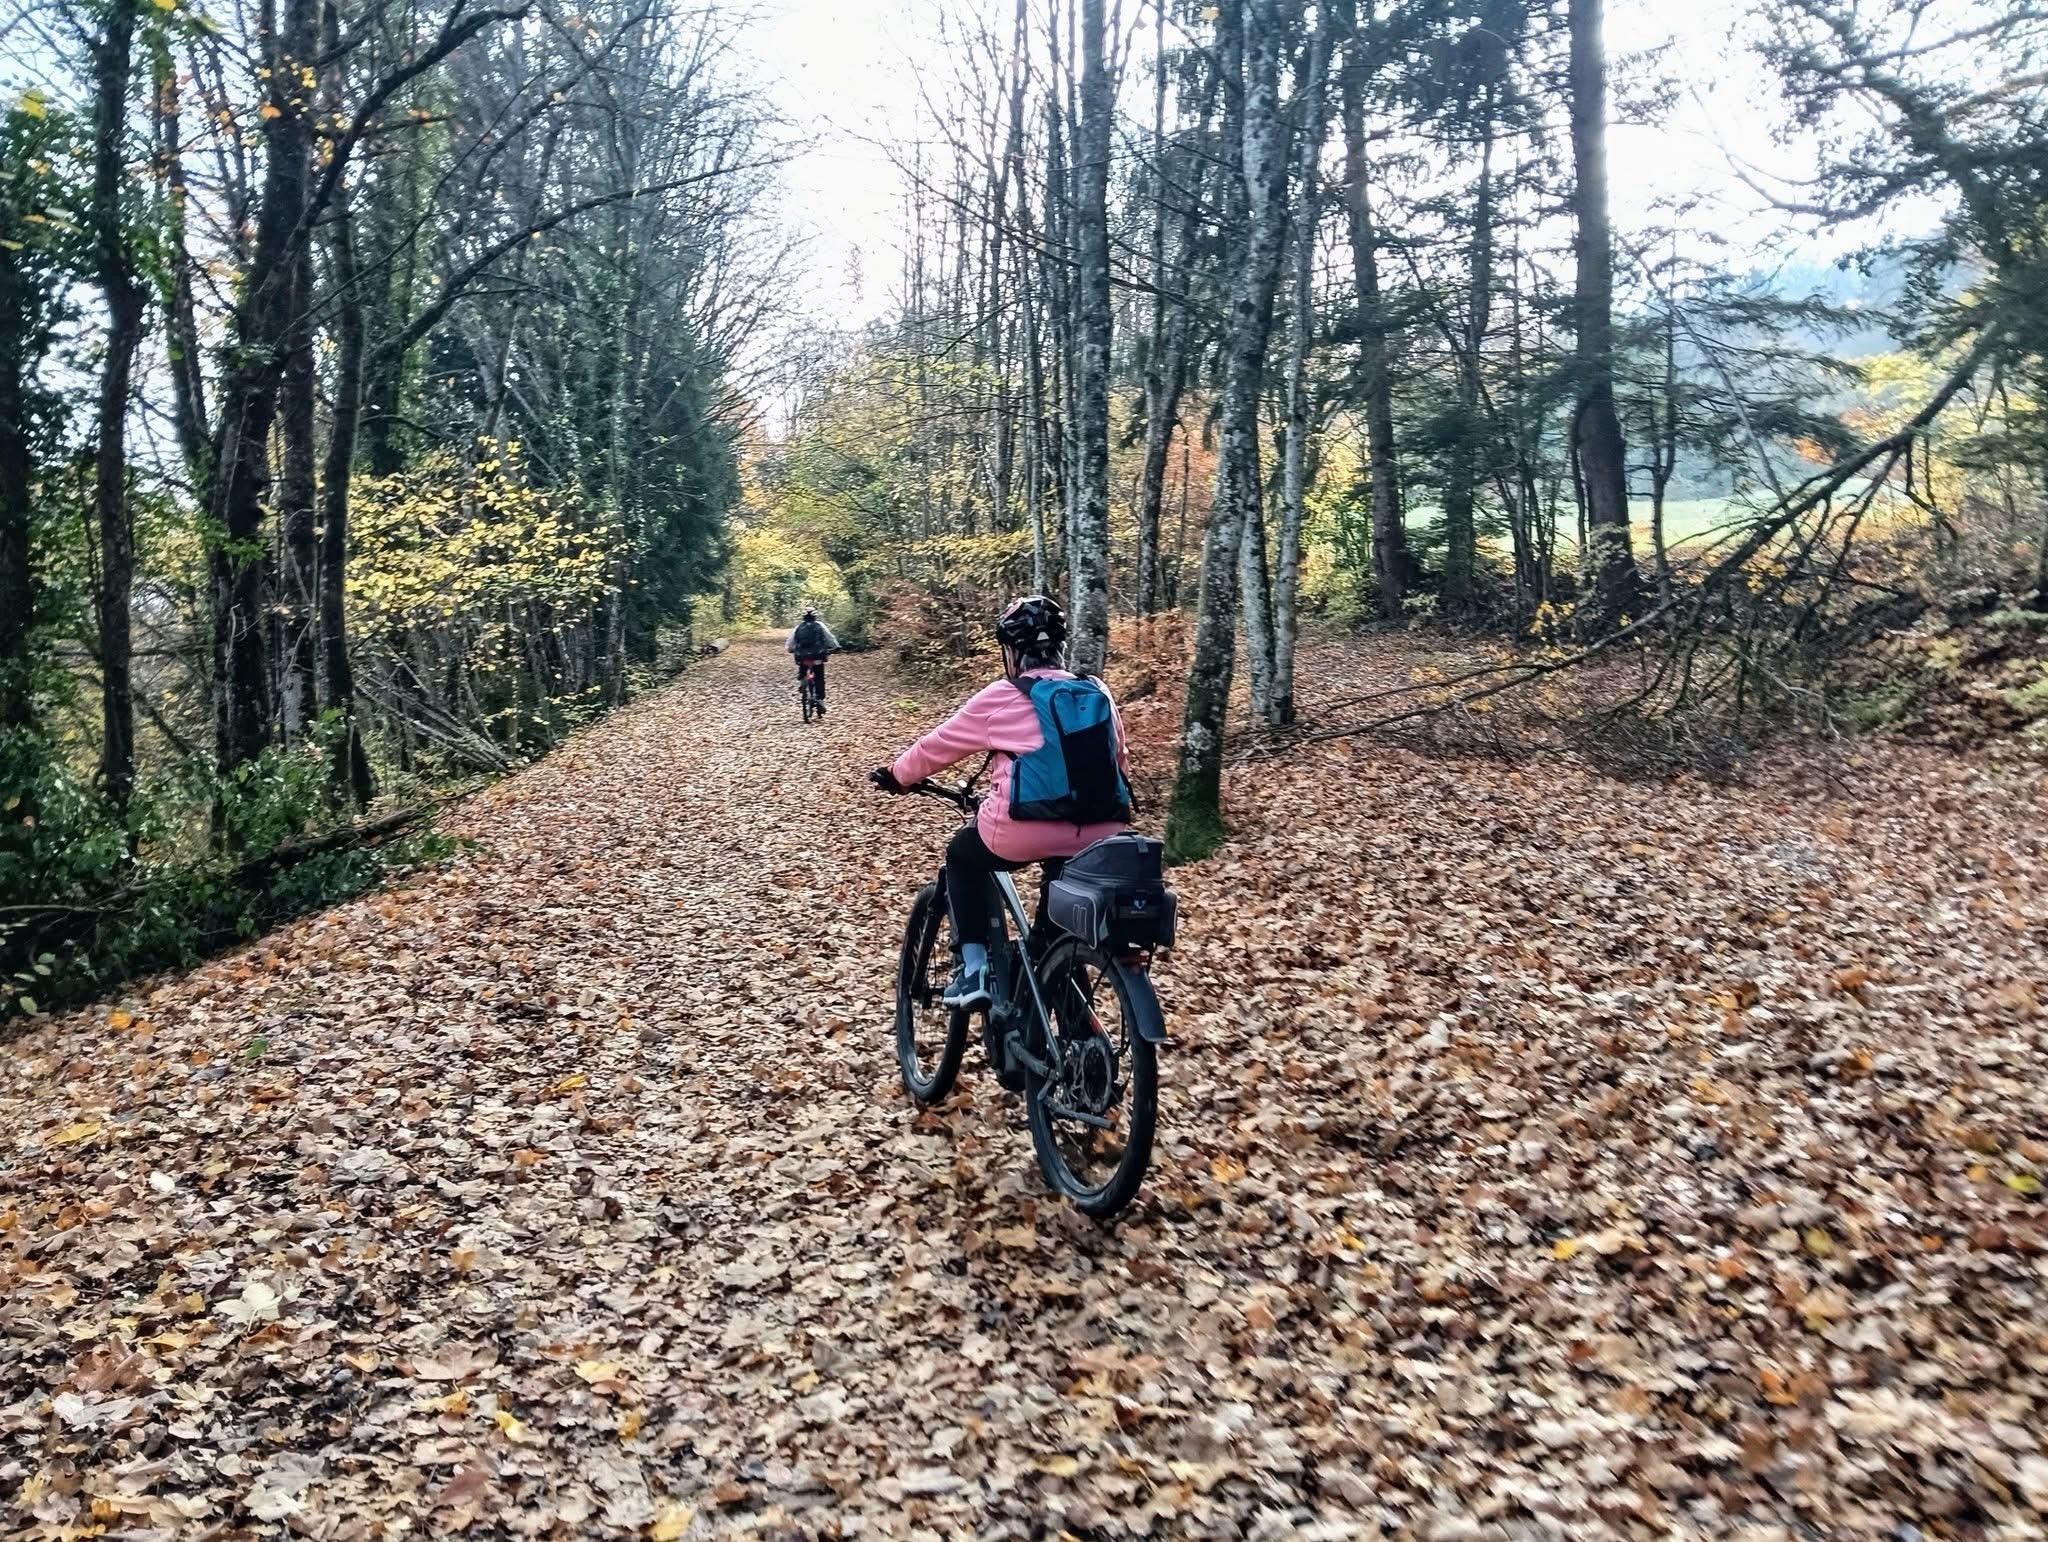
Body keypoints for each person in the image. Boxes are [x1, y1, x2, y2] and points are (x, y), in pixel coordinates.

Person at [870, 596, 1131, 1009]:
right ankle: (1068, 1018)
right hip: (1102, 834)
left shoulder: (1003, 695)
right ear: (1060, 645)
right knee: (1056, 932)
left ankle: (973, 970)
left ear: (1010, 650)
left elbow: (938, 746)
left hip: (1021, 831)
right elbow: (1118, 760)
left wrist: (898, 775)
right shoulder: (1097, 690)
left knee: (962, 855)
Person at [786, 607, 838, 713]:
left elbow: (790, 643)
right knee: (819, 677)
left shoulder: (798, 627)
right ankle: (820, 701)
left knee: (802, 668)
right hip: (818, 656)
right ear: (815, 616)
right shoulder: (820, 626)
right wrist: (836, 646)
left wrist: (790, 649)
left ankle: (802, 682)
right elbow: (830, 638)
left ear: (803, 617)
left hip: (802, 656)